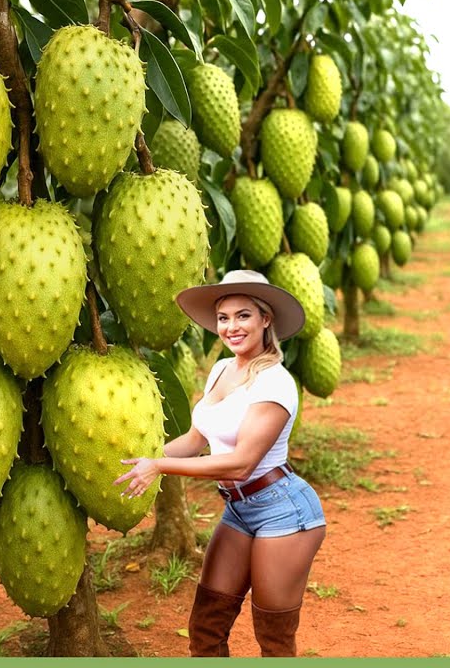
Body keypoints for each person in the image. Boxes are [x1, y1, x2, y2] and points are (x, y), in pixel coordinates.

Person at [115, 270, 326, 657]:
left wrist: (159, 468)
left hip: (284, 511)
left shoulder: (274, 383)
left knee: (274, 638)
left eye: (243, 315)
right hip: (239, 510)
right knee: (206, 626)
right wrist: (136, 460)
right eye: (224, 317)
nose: (231, 327)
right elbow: (197, 440)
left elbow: (241, 464)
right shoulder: (221, 370)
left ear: (266, 319)